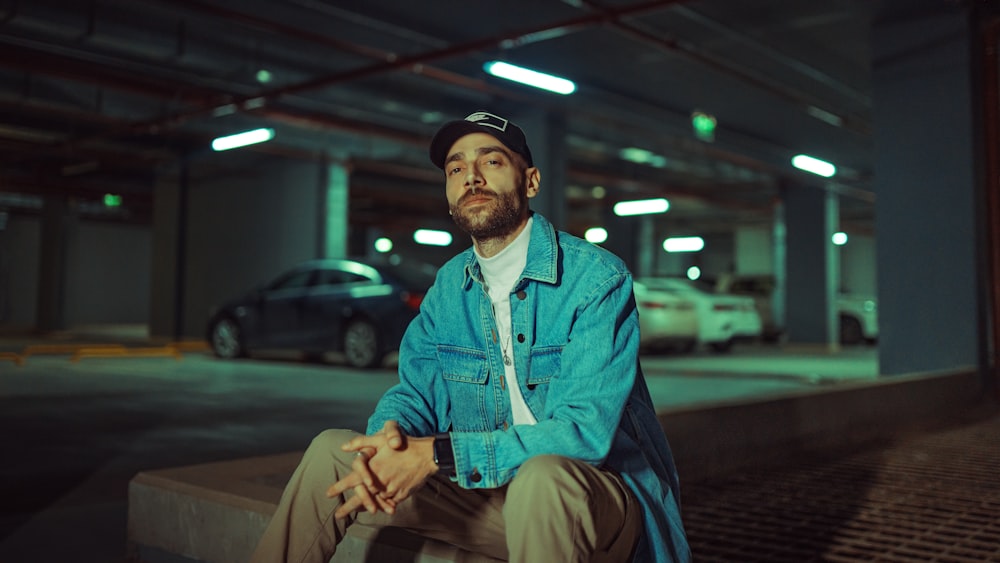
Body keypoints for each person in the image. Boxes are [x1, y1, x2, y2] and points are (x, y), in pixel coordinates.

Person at [250, 110, 691, 563]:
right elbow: (416, 395)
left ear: (531, 181)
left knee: (541, 478)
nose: (471, 178)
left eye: (492, 162)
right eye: (456, 168)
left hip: (592, 506)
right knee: (331, 452)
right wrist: (389, 440)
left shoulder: (595, 279)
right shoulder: (448, 287)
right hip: (488, 496)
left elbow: (584, 433)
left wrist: (442, 454)